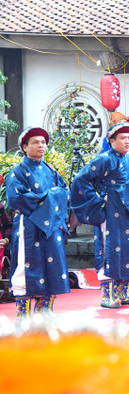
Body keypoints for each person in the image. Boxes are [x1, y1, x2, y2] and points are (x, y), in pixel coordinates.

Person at [71, 122, 129, 309]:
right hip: (111, 211)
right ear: (111, 140)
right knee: (109, 249)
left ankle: (123, 291)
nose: (127, 141)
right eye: (122, 138)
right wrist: (99, 201)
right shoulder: (103, 159)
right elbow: (81, 181)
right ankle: (108, 293)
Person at [6, 127, 71, 318]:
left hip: (51, 227)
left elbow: (63, 192)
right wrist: (50, 200)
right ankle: (23, 315)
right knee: (25, 266)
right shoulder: (17, 172)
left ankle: (45, 311)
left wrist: (49, 205)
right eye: (35, 142)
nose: (41, 145)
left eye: (43, 142)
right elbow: (16, 199)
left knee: (52, 264)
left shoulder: (51, 169)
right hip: (28, 225)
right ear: (24, 147)